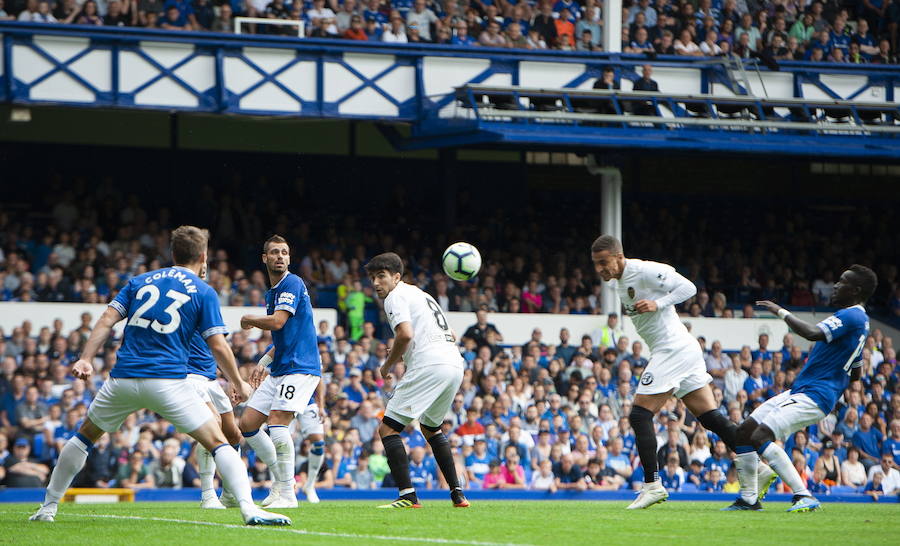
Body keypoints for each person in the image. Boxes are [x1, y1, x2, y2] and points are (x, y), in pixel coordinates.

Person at [30, 226, 288, 527]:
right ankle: (249, 509)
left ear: (173, 253)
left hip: (123, 380)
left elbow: (106, 319)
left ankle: (48, 508)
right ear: (203, 256)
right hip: (168, 382)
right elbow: (217, 344)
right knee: (219, 442)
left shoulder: (139, 281)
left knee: (84, 437)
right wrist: (239, 382)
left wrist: (86, 358)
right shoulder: (203, 291)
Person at [590, 235, 773, 510]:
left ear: (619, 256)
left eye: (604, 262)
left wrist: (658, 303)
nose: (600, 269)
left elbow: (688, 287)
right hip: (681, 350)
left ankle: (652, 485)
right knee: (711, 418)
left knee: (640, 415)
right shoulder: (619, 281)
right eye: (596, 264)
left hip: (672, 349)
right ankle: (757, 466)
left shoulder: (643, 270)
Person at [727, 265, 877, 513]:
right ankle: (748, 499)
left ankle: (803, 494)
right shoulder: (861, 322)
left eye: (842, 282)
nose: (836, 285)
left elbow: (811, 332)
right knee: (745, 432)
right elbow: (857, 371)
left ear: (856, 290)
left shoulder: (851, 316)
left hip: (814, 394)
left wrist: (779, 311)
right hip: (805, 390)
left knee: (759, 437)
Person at [365, 252, 469, 509]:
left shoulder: (395, 296)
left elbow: (406, 334)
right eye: (372, 278)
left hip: (429, 364)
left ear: (396, 277)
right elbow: (451, 332)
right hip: (454, 363)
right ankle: (458, 494)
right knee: (431, 428)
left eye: (382, 276)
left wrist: (388, 365)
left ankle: (408, 496)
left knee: (388, 429)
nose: (376, 283)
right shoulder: (422, 295)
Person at [239, 235, 322, 509]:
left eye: (284, 253)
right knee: (248, 424)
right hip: (282, 368)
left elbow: (277, 322)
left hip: (300, 367)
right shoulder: (272, 292)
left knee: (276, 422)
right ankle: (281, 481)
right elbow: (284, 337)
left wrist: (249, 319)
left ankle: (287, 493)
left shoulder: (292, 283)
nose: (280, 257)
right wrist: (262, 364)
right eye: (274, 252)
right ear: (264, 258)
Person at [187, 262, 244, 509]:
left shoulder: (209, 302)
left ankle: (229, 493)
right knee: (212, 426)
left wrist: (231, 380)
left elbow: (216, 348)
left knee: (233, 434)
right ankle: (208, 494)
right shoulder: (185, 301)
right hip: (189, 377)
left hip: (210, 378)